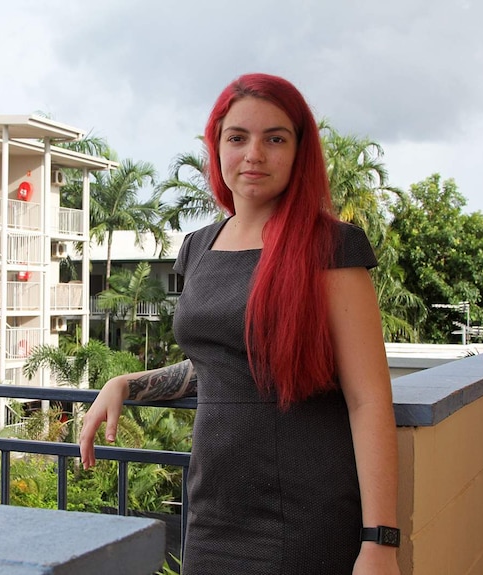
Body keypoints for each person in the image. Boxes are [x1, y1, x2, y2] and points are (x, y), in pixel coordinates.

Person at [78, 73, 400, 575]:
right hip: (213, 512)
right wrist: (127, 383)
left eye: (275, 138)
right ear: (217, 146)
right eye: (237, 137)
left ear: (299, 152)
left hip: (307, 514)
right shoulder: (198, 247)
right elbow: (219, 361)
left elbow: (369, 397)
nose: (254, 154)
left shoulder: (331, 247)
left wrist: (380, 541)